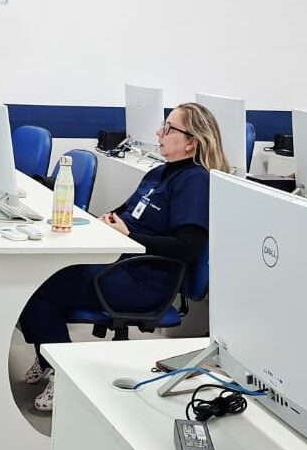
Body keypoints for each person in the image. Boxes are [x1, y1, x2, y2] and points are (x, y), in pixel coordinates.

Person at [19, 103, 230, 411]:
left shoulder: (194, 181)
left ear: (191, 142)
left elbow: (188, 248)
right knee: (34, 275)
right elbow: (124, 212)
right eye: (163, 125)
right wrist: (108, 221)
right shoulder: (159, 173)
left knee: (39, 286)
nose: (160, 132)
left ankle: (62, 375)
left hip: (147, 279)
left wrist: (130, 236)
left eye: (170, 128)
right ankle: (48, 358)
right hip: (124, 265)